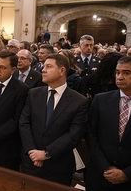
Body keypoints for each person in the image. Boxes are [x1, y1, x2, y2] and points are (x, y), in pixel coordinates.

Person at [19, 54, 88, 185]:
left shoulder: (79, 101)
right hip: (30, 161)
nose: (43, 70)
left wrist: (46, 154)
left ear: (62, 71)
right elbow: (24, 123)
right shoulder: (33, 93)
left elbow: (74, 134)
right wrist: (32, 152)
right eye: (43, 66)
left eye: (49, 66)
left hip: (58, 165)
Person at [86, 56, 131, 191]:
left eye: (126, 73)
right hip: (101, 176)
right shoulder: (101, 100)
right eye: (117, 72)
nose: (120, 77)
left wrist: (127, 173)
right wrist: (106, 167)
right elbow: (91, 135)